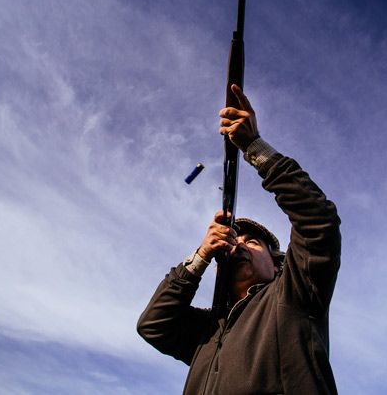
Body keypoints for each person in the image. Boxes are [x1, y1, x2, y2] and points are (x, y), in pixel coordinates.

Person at [137, 85, 341, 394]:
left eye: (253, 242)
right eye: (234, 243)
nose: (240, 245)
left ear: (278, 266)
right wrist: (202, 255)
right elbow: (153, 324)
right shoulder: (208, 330)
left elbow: (318, 220)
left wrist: (253, 146)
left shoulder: (293, 296)